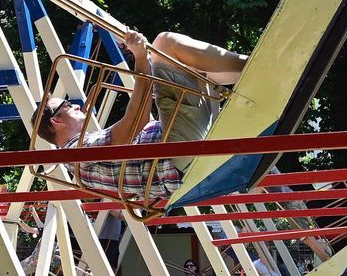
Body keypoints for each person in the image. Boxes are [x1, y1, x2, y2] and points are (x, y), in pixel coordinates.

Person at [32, 30, 247, 199]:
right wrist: (141, 57)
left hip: (179, 159)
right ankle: (250, 63)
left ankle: (246, 75)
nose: (76, 106)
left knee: (188, 63)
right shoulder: (77, 152)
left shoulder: (80, 157)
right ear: (56, 120)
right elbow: (136, 121)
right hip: (176, 153)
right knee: (164, 43)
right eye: (67, 105)